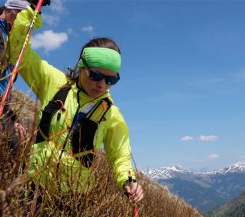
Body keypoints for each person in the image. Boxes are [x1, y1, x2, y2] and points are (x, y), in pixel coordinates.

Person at [9, 5, 144, 202]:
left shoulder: (111, 115)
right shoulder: (54, 84)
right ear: (81, 66)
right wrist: (30, 12)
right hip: (33, 184)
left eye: (111, 80)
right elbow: (18, 52)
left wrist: (128, 180)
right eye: (96, 75)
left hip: (73, 197)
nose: (102, 85)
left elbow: (120, 155)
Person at [0, 0, 32, 151]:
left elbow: (5, 86)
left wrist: (13, 119)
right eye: (20, 14)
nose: (22, 20)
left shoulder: (11, 46)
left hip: (0, 107)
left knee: (13, 148)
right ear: (9, 10)